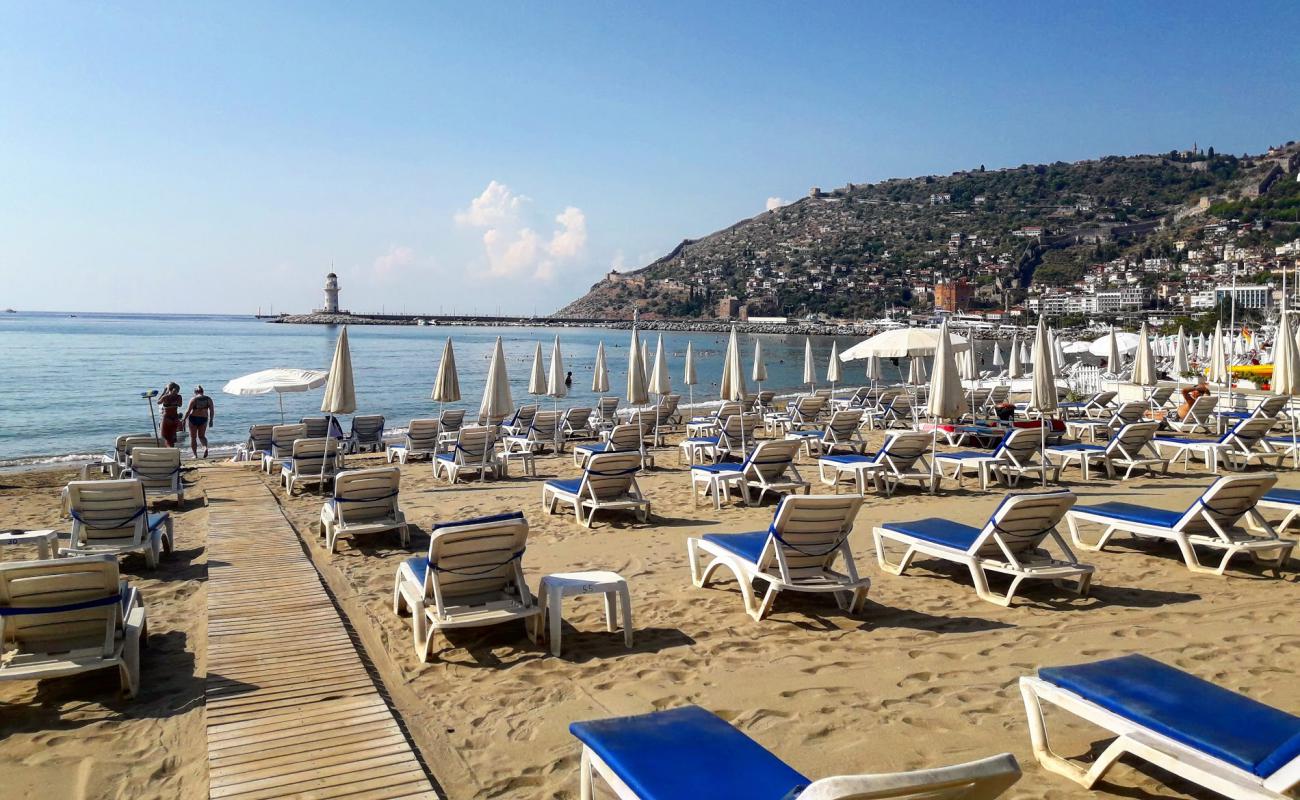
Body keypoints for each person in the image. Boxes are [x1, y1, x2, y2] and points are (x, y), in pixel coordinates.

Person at [183, 385, 216, 458]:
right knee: (202, 436)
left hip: (193, 418)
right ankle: (205, 448)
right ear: (202, 391)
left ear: (195, 392)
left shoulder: (194, 399)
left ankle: (195, 455)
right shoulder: (208, 399)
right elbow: (212, 411)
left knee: (193, 437)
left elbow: (188, 411)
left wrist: (184, 419)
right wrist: (211, 420)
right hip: (203, 419)